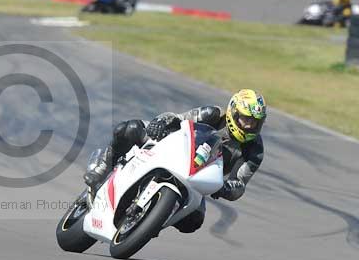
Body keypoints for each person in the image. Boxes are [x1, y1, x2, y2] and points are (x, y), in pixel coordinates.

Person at [84, 89, 266, 234]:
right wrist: (160, 122)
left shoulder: (255, 150)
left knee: (193, 222)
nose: (249, 126)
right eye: (245, 119)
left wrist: (225, 188)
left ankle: (151, 221)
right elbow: (178, 117)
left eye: (255, 123)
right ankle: (103, 167)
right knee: (129, 129)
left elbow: (239, 183)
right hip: (173, 147)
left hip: (197, 177)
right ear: (233, 112)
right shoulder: (213, 114)